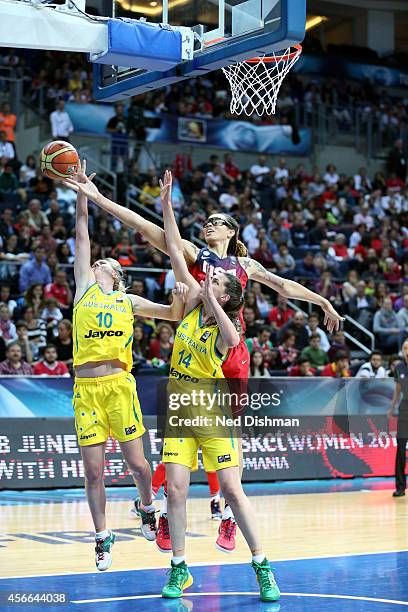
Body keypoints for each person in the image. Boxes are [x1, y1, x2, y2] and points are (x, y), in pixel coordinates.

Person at [68, 169, 343, 553]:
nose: (208, 223)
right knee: (180, 438)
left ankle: (228, 517)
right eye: (207, 220)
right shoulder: (195, 255)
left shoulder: (246, 267)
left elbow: (284, 285)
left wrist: (322, 301)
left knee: (231, 439)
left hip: (232, 352)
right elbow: (147, 227)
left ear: (232, 231)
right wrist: (96, 198)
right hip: (195, 346)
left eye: (217, 221)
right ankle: (164, 510)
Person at [159, 169, 280, 602]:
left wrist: (210, 297)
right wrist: (167, 205)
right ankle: (179, 569)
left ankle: (261, 565)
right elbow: (174, 248)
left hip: (210, 403)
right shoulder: (192, 301)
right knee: (175, 488)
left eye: (216, 282)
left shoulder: (227, 325)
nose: (207, 278)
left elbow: (232, 339)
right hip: (179, 400)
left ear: (226, 294)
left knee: (231, 487)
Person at [63, 161, 187, 571]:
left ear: (118, 276)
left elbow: (172, 313)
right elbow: (82, 233)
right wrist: (83, 191)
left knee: (137, 464)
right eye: (97, 261)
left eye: (107, 263)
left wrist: (182, 291)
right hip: (86, 389)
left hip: (119, 385)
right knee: (94, 472)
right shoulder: (82, 289)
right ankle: (102, 537)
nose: (98, 262)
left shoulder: (127, 302)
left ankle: (147, 506)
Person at [387, 339, 408, 497]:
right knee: (400, 448)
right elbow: (398, 388)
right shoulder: (399, 367)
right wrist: (392, 406)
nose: (407, 350)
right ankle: (400, 487)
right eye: (405, 348)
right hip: (404, 409)